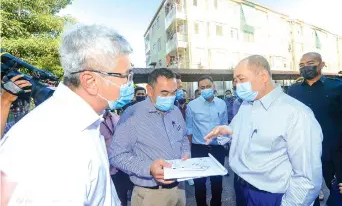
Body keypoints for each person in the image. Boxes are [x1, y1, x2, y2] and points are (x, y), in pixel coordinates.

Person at [0, 24, 134, 205]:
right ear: (90, 81)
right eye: (125, 76)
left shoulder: (83, 123)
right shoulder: (58, 145)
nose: (129, 83)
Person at [204, 55, 322, 206]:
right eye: (235, 80)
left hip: (270, 197)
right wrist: (227, 131)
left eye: (241, 79)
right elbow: (239, 131)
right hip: (241, 189)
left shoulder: (296, 114)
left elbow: (307, 177)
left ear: (263, 77)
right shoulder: (247, 106)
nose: (236, 85)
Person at [110, 68, 190, 206]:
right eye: (164, 93)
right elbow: (116, 155)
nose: (170, 98)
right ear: (150, 90)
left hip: (179, 189)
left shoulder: (175, 111)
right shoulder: (133, 114)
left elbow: (182, 138)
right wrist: (149, 168)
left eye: (173, 93)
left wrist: (185, 153)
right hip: (150, 194)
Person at [287, 52, 342, 205]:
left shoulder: (337, 87)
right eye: (302, 65)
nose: (306, 67)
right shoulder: (293, 91)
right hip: (303, 153)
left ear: (322, 65)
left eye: (310, 63)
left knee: (337, 191)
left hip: (333, 151)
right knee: (307, 194)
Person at [186, 75, 228, 206]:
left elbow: (224, 125)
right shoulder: (192, 105)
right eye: (202, 87)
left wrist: (223, 143)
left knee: (217, 183)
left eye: (208, 86)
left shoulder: (222, 104)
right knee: (199, 183)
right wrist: (191, 148)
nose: (205, 89)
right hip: (199, 148)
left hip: (217, 148)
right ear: (199, 89)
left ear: (214, 87)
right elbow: (189, 129)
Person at [100, 110, 133, 206]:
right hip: (107, 168)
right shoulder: (94, 123)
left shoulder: (116, 117)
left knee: (123, 197)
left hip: (121, 166)